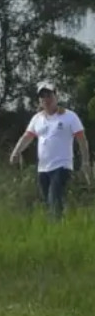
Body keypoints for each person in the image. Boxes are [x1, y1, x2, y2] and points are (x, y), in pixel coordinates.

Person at [9, 81, 92, 218]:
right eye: (42, 97)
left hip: (62, 166)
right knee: (48, 200)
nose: (46, 99)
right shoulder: (37, 119)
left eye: (49, 95)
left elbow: (82, 139)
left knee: (54, 198)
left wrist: (85, 161)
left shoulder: (69, 116)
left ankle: (57, 226)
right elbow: (27, 137)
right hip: (43, 168)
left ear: (56, 96)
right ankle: (58, 226)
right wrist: (16, 152)